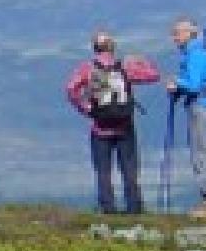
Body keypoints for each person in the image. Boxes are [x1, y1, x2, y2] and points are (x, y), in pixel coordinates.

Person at [63, 29, 160, 214]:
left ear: (94, 48)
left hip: (100, 127)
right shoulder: (125, 67)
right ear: (113, 47)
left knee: (103, 171)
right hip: (124, 126)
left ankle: (108, 208)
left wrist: (87, 109)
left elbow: (71, 89)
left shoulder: (87, 69)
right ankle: (134, 207)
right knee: (130, 170)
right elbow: (153, 75)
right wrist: (141, 60)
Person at [168, 16, 206, 219]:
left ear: (188, 33)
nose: (174, 38)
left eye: (176, 33)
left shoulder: (195, 55)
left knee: (203, 152)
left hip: (201, 108)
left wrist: (176, 84)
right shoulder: (202, 53)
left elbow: (193, 84)